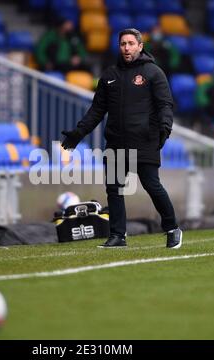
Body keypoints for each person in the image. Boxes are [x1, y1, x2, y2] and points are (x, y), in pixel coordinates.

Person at [61, 28, 183, 249]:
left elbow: (165, 104)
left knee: (152, 185)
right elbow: (96, 111)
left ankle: (173, 228)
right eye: (122, 44)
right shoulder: (109, 76)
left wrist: (165, 128)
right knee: (114, 189)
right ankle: (118, 235)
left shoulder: (153, 72)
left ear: (140, 46)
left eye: (130, 43)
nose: (126, 48)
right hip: (116, 143)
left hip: (145, 141)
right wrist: (79, 133)